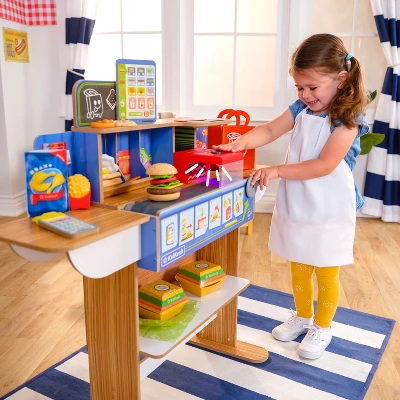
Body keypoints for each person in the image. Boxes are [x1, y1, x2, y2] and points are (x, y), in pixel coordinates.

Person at [213, 34, 369, 359]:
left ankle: (323, 326)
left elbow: (324, 165)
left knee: (325, 268)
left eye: (312, 87)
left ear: (341, 80)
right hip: (299, 199)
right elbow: (270, 130)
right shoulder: (300, 109)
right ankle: (303, 316)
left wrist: (276, 170)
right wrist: (239, 143)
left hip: (329, 206)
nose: (305, 95)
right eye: (299, 87)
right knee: (298, 262)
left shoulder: (348, 121)